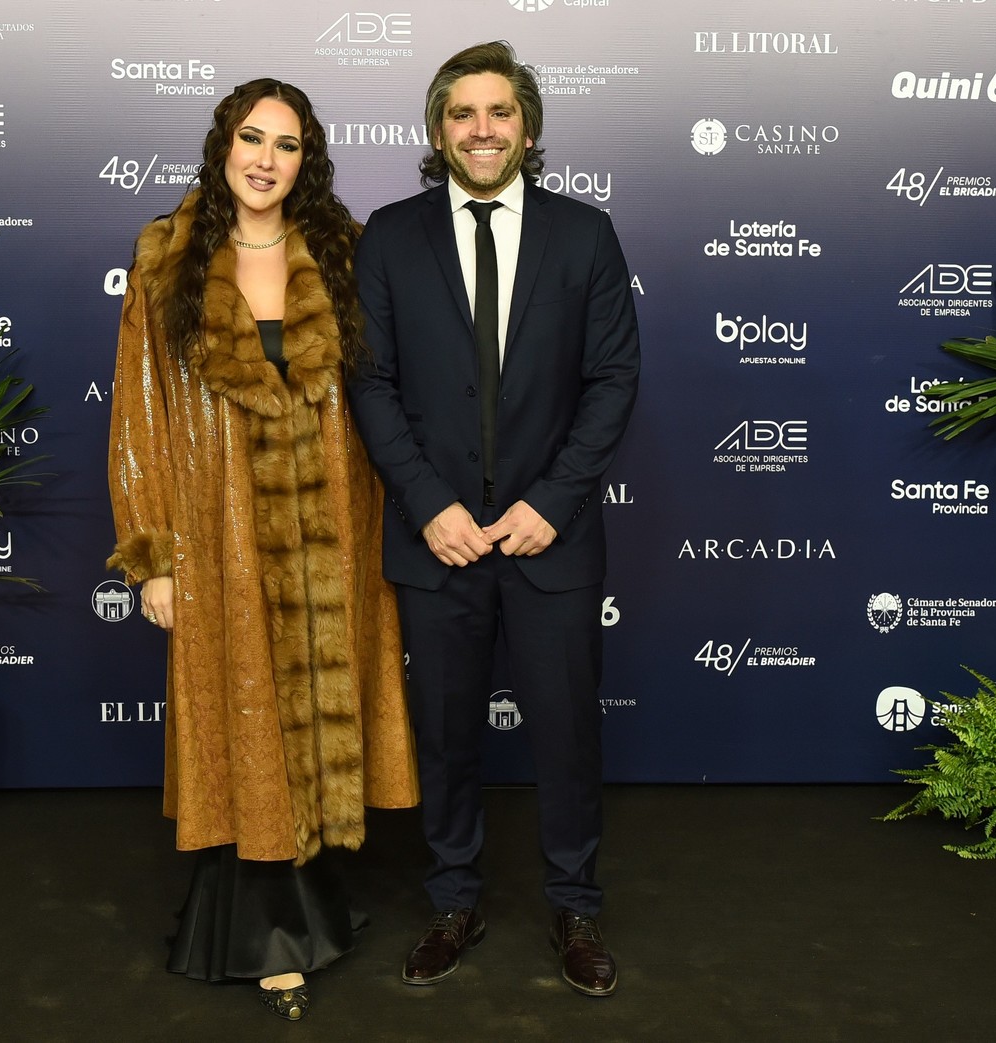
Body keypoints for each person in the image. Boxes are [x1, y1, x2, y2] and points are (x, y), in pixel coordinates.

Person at [107, 78, 418, 1022]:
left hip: (333, 533)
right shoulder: (165, 259)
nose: (264, 159)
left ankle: (311, 906)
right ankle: (263, 933)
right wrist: (152, 553)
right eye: (251, 137)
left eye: (286, 145)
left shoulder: (342, 253)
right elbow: (138, 414)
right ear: (222, 143)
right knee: (239, 716)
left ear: (305, 160)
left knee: (316, 719)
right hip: (220, 537)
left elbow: (385, 392)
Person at [347, 41, 640, 998]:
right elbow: (371, 385)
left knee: (565, 733)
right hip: (435, 544)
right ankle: (452, 900)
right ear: (438, 131)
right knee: (445, 735)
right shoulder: (387, 237)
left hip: (547, 541)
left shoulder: (585, 235)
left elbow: (610, 383)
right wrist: (428, 506)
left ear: (528, 125)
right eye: (464, 114)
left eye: (501, 112)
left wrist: (547, 505)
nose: (483, 130)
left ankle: (574, 903)